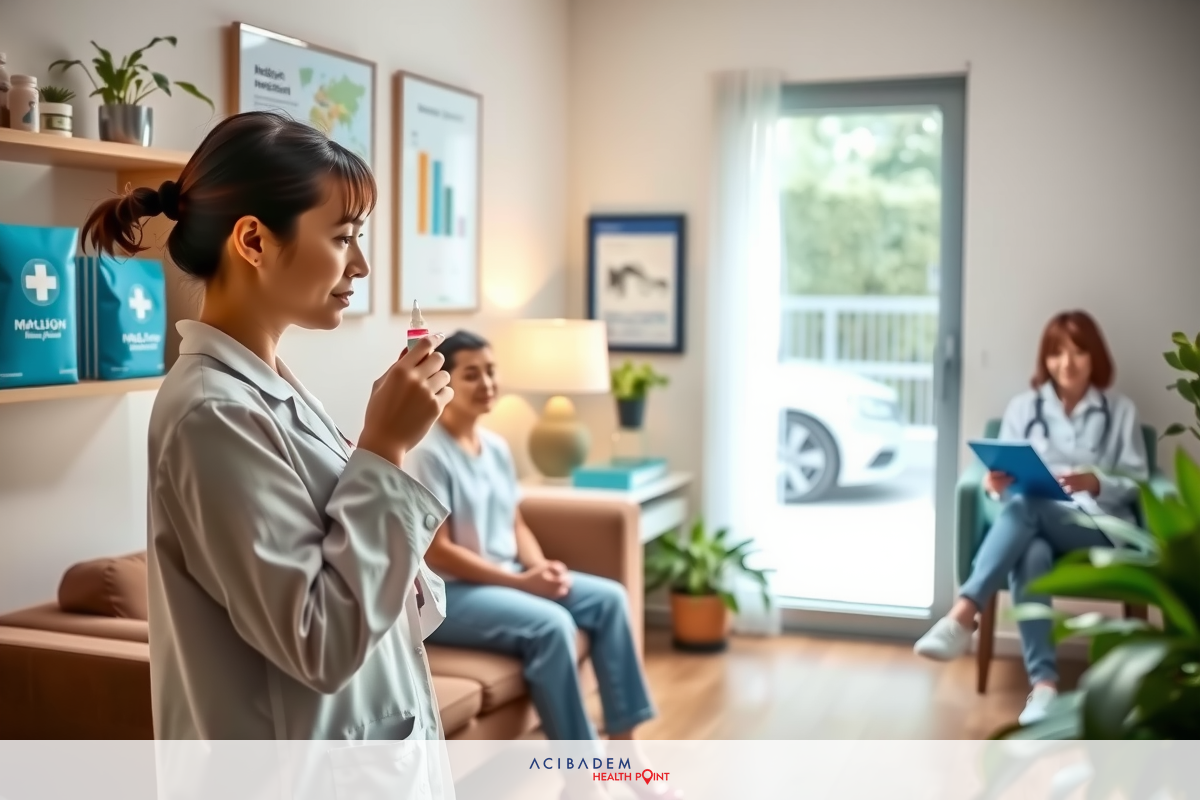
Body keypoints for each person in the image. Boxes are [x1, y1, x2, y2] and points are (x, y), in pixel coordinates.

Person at [81, 111, 456, 743]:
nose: (360, 266)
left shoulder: (270, 388)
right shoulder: (212, 415)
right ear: (253, 241)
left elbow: (385, 593)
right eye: (343, 237)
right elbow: (320, 643)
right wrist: (385, 447)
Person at [405, 331, 679, 800]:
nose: (488, 382)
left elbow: (516, 523)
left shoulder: (495, 446)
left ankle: (627, 753)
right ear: (446, 382)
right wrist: (520, 581)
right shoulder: (428, 454)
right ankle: (582, 779)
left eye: (491, 371)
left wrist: (542, 567)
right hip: (455, 592)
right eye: (472, 374)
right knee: (552, 625)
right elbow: (438, 552)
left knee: (609, 598)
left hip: (508, 578)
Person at [913, 310, 1148, 725]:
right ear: (1046, 359)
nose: (1067, 363)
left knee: (1026, 509)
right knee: (1031, 553)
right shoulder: (1024, 408)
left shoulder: (1120, 411)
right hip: (1034, 524)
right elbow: (1001, 478)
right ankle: (1044, 687)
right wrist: (994, 486)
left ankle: (964, 611)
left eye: (1078, 352)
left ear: (1095, 357)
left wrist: (1093, 482)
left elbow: (1137, 481)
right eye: (1057, 353)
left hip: (1097, 530)